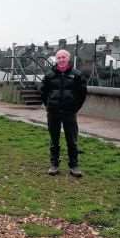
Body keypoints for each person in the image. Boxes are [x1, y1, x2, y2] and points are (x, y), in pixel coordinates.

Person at [41, 49, 87, 177]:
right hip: (53, 112)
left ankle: (74, 165)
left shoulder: (76, 75)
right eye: (59, 57)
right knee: (54, 139)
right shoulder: (49, 75)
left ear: (68, 58)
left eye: (64, 57)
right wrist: (49, 105)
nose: (61, 60)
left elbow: (82, 93)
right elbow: (43, 92)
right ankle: (54, 164)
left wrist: (74, 108)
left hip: (69, 112)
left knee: (72, 140)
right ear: (56, 59)